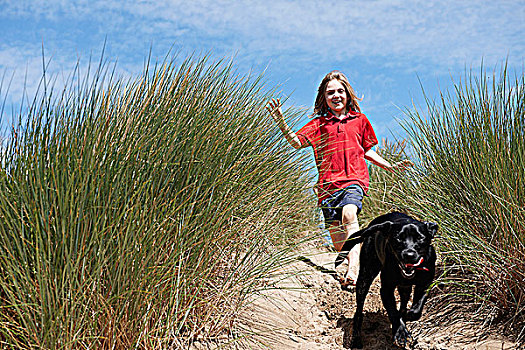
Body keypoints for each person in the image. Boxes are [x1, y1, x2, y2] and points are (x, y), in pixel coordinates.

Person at [266, 70, 411, 286]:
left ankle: (354, 268)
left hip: (354, 179)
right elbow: (296, 142)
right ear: (324, 98)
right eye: (330, 92)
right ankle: (348, 263)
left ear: (347, 94)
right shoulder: (318, 125)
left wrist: (390, 166)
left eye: (340, 91)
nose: (336, 96)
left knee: (349, 214)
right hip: (327, 186)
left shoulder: (360, 121)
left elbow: (368, 150)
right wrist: (280, 121)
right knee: (336, 235)